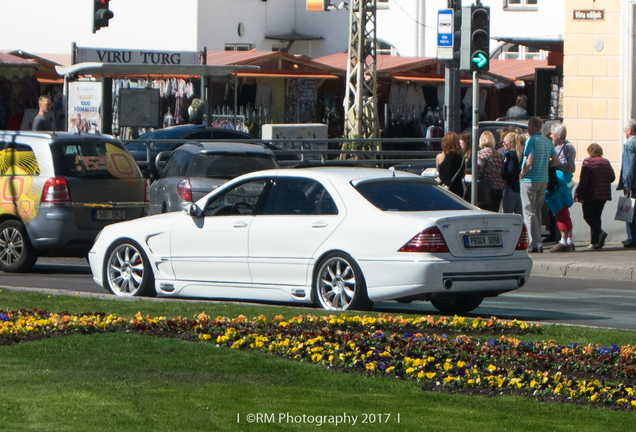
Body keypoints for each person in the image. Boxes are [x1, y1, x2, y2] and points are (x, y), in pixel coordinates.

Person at [519, 116, 559, 253]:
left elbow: (529, 162)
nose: (528, 128)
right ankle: (539, 242)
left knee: (529, 212)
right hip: (543, 179)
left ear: (532, 126)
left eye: (529, 125)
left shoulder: (531, 141)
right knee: (537, 212)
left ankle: (533, 243)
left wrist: (522, 174)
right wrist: (545, 166)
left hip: (530, 180)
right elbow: (556, 161)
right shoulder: (548, 142)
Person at [574, 143, 616, 250]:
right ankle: (595, 242)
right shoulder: (605, 162)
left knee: (587, 216)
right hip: (603, 194)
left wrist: (580, 194)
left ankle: (600, 232)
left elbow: (584, 180)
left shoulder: (588, 162)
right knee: (597, 217)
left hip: (590, 194)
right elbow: (612, 177)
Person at [547, 123, 577, 252]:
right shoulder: (557, 147)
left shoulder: (567, 147)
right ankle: (568, 240)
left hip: (561, 183)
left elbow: (571, 167)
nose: (550, 135)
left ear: (559, 135)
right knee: (561, 211)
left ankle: (564, 240)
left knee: (561, 211)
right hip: (558, 181)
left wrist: (557, 165)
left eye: (552, 133)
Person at [477, 130, 505, 212]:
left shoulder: (481, 153)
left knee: (485, 212)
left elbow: (478, 171)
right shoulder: (498, 154)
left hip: (487, 187)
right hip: (499, 187)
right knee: (495, 211)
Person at [619, 119, 636, 248]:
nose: (624, 131)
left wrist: (626, 184)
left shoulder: (630, 145)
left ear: (629, 131)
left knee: (631, 211)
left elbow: (629, 166)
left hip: (633, 184)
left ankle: (631, 238)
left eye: (625, 129)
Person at [436, 132, 465, 197]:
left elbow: (440, 172)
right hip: (458, 189)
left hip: (445, 190)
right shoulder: (462, 157)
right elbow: (463, 173)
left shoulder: (440, 157)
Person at [501, 132, 524, 214]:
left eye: (505, 142)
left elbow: (509, 170)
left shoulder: (509, 155)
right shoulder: (521, 155)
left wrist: (504, 178)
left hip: (511, 188)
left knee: (507, 215)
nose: (503, 144)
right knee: (518, 217)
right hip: (520, 188)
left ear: (511, 143)